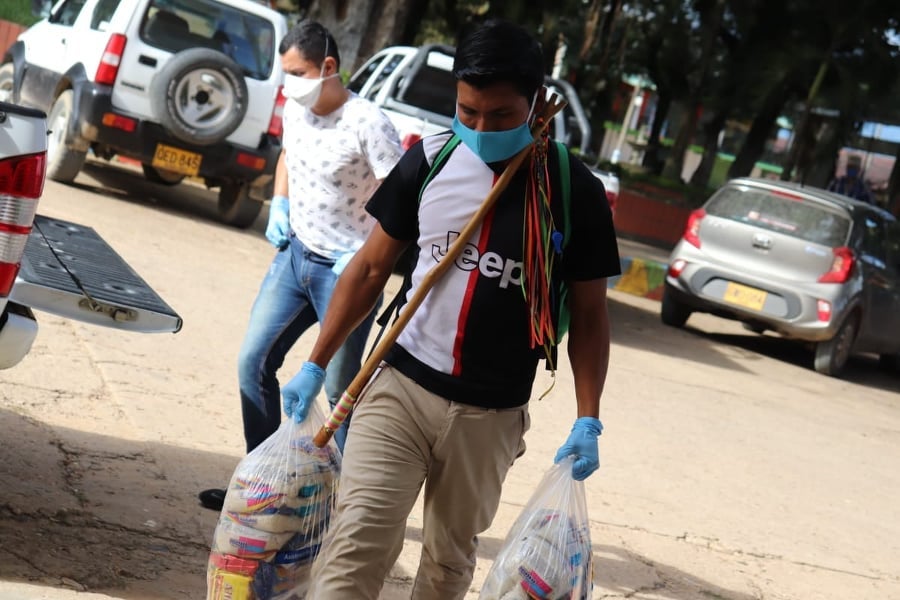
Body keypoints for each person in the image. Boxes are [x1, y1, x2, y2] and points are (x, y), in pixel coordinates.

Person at [283, 20, 621, 598]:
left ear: (537, 104)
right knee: (355, 543)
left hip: (490, 417)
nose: (481, 129)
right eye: (468, 113)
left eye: (501, 116)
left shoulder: (573, 191)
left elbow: (589, 315)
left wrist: (587, 416)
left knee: (446, 565)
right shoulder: (431, 161)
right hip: (401, 386)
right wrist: (316, 362)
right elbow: (368, 268)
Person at [198, 21, 403, 511]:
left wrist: (368, 250)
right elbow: (289, 155)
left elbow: (403, 199)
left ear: (328, 67)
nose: (289, 84)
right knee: (253, 362)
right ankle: (263, 480)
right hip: (295, 257)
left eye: (298, 72)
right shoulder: (296, 108)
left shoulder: (368, 122)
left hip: (350, 273)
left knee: (339, 390)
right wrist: (279, 203)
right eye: (284, 73)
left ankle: (342, 507)